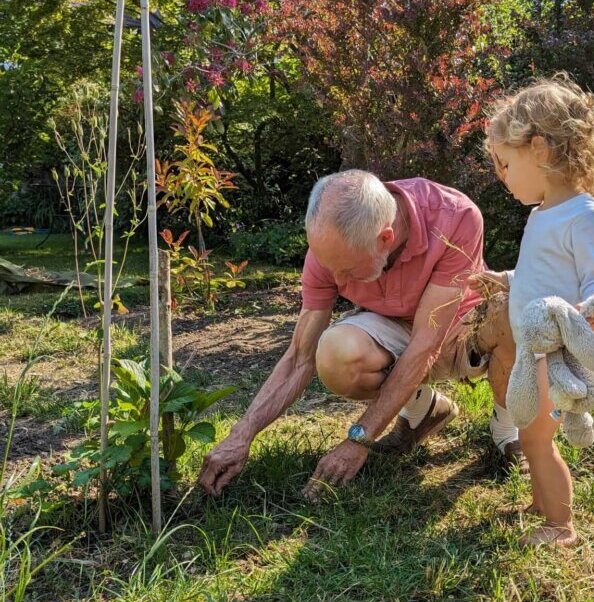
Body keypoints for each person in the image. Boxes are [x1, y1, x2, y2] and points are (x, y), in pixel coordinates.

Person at [198, 170, 527, 500]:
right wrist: (242, 433)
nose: (337, 278)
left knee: (512, 312)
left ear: (385, 238)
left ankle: (507, 427)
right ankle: (422, 411)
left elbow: (426, 344)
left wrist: (359, 438)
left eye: (347, 270)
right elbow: (301, 356)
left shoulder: (455, 217)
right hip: (392, 327)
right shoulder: (329, 252)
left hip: (457, 326)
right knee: (335, 353)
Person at [469, 73, 594, 547]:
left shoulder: (584, 214)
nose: (501, 176)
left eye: (505, 163)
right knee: (532, 435)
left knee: (536, 439)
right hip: (535, 350)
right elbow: (542, 275)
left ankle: (561, 526)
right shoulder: (541, 214)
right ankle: (543, 502)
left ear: (540, 150)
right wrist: (508, 280)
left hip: (559, 356)